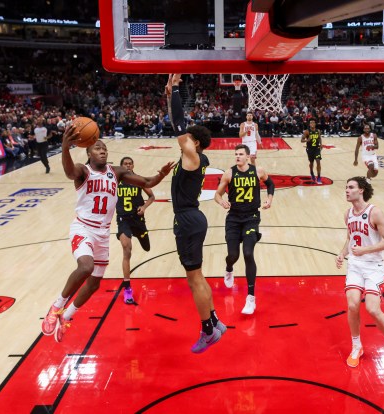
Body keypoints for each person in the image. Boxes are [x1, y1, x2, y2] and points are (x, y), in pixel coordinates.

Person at [41, 126, 174, 342]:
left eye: (104, 148)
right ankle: (56, 306)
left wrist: (161, 174)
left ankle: (66, 317)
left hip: (102, 233)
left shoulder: (117, 172)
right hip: (83, 227)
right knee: (86, 266)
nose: (102, 151)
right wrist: (65, 147)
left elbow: (148, 183)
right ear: (88, 154)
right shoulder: (82, 171)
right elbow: (68, 172)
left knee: (94, 283)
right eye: (97, 148)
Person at [166, 74, 226, 353]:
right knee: (198, 276)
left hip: (189, 219)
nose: (182, 140)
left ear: (195, 144)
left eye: (187, 139)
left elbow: (178, 126)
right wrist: (169, 96)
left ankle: (208, 331)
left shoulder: (193, 157)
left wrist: (176, 90)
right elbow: (176, 125)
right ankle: (215, 320)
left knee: (194, 279)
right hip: (192, 218)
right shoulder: (194, 158)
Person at [335, 176, 384, 371]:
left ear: (361, 190)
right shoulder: (348, 214)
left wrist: (366, 250)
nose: (346, 190)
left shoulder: (375, 212)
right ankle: (356, 346)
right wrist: (342, 253)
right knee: (352, 304)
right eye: (346, 187)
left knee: (373, 309)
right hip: (355, 265)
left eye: (350, 187)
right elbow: (351, 239)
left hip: (373, 266)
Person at [214, 144, 274, 314]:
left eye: (240, 154)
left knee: (248, 253)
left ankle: (250, 298)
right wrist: (222, 201)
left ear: (248, 157)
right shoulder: (229, 173)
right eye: (236, 154)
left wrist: (269, 200)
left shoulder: (258, 171)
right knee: (233, 255)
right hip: (233, 218)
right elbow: (217, 194)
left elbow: (271, 185)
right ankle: (229, 269)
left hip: (251, 218)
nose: (237, 157)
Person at [116, 156, 155, 304]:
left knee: (147, 248)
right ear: (121, 166)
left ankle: (142, 234)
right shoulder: (116, 182)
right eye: (125, 164)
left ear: (133, 165)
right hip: (123, 220)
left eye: (130, 163)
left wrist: (144, 207)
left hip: (137, 219)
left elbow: (152, 196)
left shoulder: (138, 180)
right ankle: (127, 288)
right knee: (127, 249)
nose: (127, 166)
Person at [301, 118, 323, 184]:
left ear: (315, 124)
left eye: (313, 122)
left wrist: (321, 144)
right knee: (311, 163)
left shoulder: (318, 131)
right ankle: (311, 173)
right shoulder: (307, 131)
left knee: (318, 161)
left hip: (316, 148)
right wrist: (306, 140)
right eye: (311, 123)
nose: (312, 124)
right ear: (309, 124)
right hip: (310, 149)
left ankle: (319, 177)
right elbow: (301, 140)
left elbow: (319, 138)